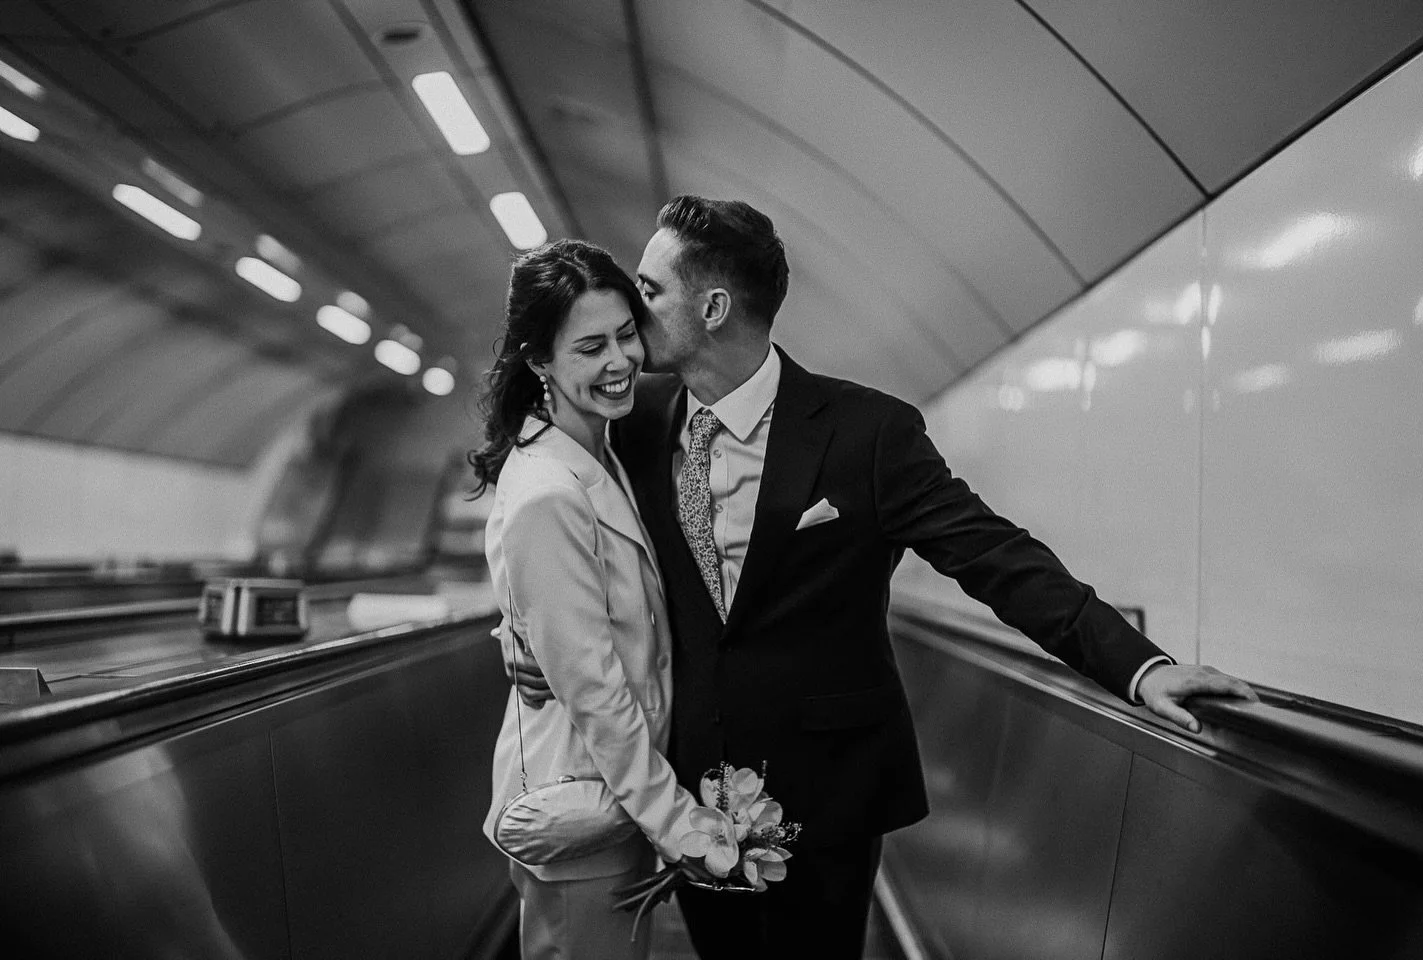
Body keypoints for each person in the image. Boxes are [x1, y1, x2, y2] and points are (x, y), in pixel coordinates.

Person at [511, 197, 1258, 958]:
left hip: (829, 791)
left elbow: (994, 555)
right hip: (691, 785)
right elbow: (549, 497)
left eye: (650, 289)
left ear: (712, 307)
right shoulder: (634, 425)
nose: (634, 313)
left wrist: (1140, 666)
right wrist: (520, 623)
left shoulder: (866, 433)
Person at [470, 239, 700, 959]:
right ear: (539, 360)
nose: (620, 362)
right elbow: (595, 688)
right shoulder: (549, 490)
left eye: (627, 335)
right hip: (584, 808)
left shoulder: (601, 454)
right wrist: (679, 823)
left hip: (611, 801)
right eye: (590, 347)